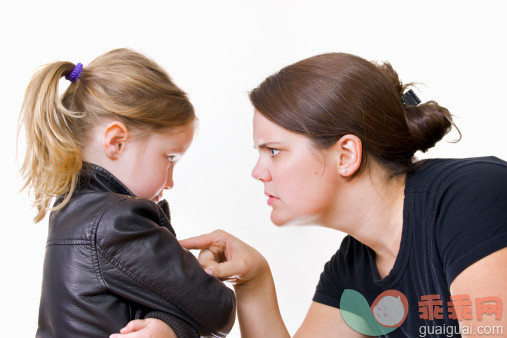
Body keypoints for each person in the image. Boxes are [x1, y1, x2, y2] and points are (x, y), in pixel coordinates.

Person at [173, 53, 506, 337]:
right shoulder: (354, 269)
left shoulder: (472, 198)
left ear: (346, 155)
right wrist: (254, 282)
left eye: (273, 151)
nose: (258, 172)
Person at [18, 48, 235, 338]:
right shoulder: (118, 222)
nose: (170, 182)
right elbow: (218, 311)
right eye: (169, 158)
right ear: (117, 142)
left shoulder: (71, 210)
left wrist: (169, 326)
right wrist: (204, 272)